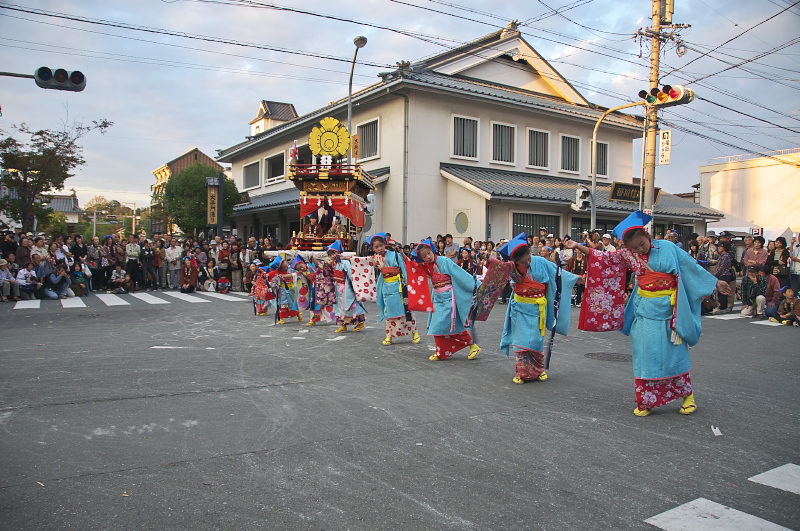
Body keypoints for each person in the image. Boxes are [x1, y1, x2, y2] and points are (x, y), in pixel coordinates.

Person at [565, 210, 727, 417]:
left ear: (647, 236)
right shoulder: (628, 254)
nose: (640, 249)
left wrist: (716, 283)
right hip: (644, 311)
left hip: (670, 311)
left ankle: (688, 396)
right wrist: (578, 246)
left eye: (642, 243)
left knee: (675, 354)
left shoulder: (668, 247)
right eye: (635, 247)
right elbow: (604, 258)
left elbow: (691, 267)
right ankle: (647, 399)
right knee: (645, 356)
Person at [498, 233, 578, 384]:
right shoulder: (511, 268)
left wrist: (576, 278)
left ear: (530, 252)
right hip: (520, 308)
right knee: (521, 342)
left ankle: (539, 370)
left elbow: (558, 274)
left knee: (535, 341)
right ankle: (523, 372)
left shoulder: (540, 261)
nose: (528, 263)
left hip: (537, 309)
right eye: (523, 262)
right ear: (515, 261)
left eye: (528, 259)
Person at [409, 238, 480, 361]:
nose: (428, 256)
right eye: (424, 256)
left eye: (428, 253)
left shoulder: (445, 260)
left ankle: (471, 345)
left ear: (432, 250)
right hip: (437, 297)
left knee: (441, 326)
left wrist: (475, 285)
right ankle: (443, 351)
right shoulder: (426, 266)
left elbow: (459, 274)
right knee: (440, 327)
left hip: (449, 298)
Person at [369, 233, 421, 346]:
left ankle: (415, 333)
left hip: (399, 286)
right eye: (376, 247)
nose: (379, 248)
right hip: (386, 287)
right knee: (389, 312)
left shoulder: (394, 254)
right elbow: (361, 261)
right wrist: (346, 257)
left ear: (385, 244)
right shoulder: (375, 258)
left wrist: (408, 284)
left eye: (381, 245)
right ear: (373, 248)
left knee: (407, 309)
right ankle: (389, 336)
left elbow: (404, 266)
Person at [313, 240, 365, 332]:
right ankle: (343, 325)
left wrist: (352, 286)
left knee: (351, 305)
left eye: (334, 253)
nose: (332, 256)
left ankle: (361, 322)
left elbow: (351, 274)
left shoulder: (345, 262)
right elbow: (323, 268)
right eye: (330, 254)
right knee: (339, 306)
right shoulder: (332, 264)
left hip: (347, 286)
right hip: (338, 286)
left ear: (339, 253)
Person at [269, 255, 301, 324]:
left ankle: (298, 315)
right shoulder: (276, 272)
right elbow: (269, 275)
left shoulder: (290, 270)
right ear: (281, 265)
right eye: (285, 263)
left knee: (293, 303)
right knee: (283, 304)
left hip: (291, 290)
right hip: (282, 291)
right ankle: (282, 318)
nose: (287, 264)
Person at [712, 241, 735, 314]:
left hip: (724, 275)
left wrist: (715, 275)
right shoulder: (722, 255)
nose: (718, 248)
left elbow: (721, 268)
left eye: (720, 246)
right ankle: (722, 306)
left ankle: (723, 307)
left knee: (723, 292)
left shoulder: (726, 256)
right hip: (722, 275)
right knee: (720, 292)